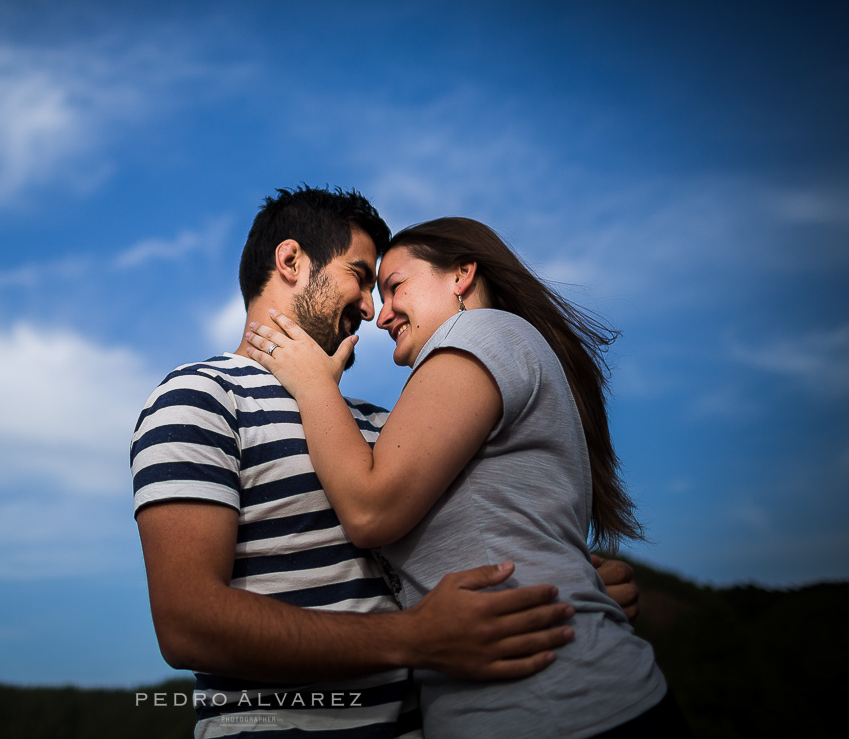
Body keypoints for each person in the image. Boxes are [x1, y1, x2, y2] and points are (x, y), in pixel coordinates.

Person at [132, 190, 641, 738]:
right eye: (360, 275)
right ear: (291, 262)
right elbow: (187, 625)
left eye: (386, 287)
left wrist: (563, 586)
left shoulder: (382, 425)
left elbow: (475, 536)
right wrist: (413, 639)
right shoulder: (200, 397)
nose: (372, 310)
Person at [244, 216, 687, 737]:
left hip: (562, 708)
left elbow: (369, 509)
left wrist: (313, 382)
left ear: (461, 275)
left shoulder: (478, 332)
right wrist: (582, 577)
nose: (380, 315)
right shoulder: (492, 355)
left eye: (394, 287)